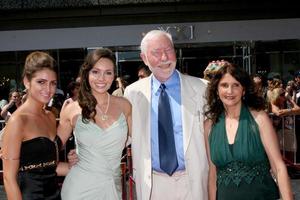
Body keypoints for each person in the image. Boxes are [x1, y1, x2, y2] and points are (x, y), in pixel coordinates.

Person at [123, 30, 208, 200]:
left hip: (192, 182)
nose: (164, 58)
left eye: (168, 50)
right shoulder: (133, 93)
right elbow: (123, 136)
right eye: (156, 52)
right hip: (153, 184)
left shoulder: (202, 89)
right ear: (144, 58)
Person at [204, 62, 293, 200]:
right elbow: (212, 174)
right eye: (224, 85)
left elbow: (278, 166)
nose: (230, 91)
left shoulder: (259, 118)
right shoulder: (209, 125)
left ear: (243, 90)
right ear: (216, 90)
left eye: (236, 85)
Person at [58, 48, 132, 200]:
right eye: (96, 72)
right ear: (87, 74)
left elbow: (140, 142)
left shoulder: (124, 105)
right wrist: (63, 167)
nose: (102, 78)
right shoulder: (71, 109)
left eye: (108, 72)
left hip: (113, 187)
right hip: (78, 189)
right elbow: (50, 150)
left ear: (114, 76)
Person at [2, 51, 68, 200]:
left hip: (55, 195)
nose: (48, 89)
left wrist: (75, 164)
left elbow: (49, 166)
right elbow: (9, 178)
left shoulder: (50, 117)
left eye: (53, 83)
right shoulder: (18, 121)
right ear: (27, 81)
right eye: (41, 82)